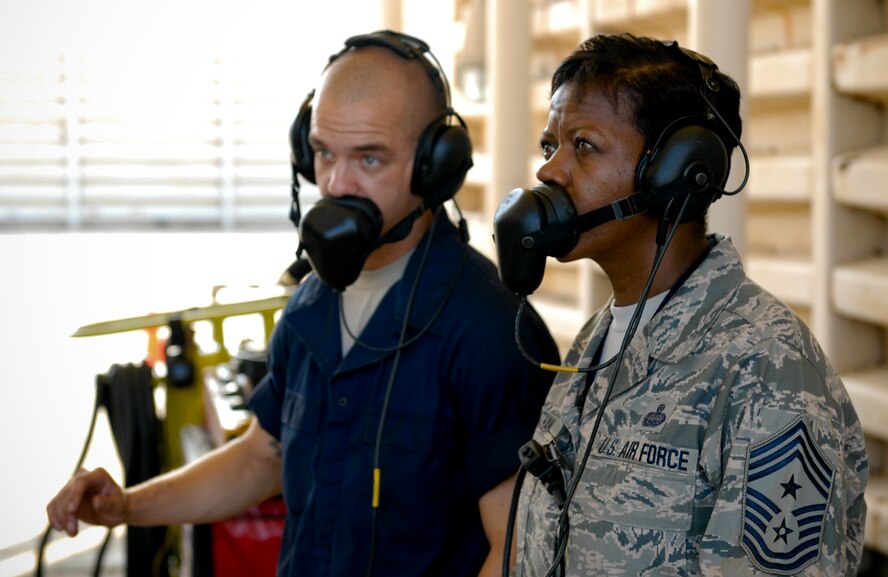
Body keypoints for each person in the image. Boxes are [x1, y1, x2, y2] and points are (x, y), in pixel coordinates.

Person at [46, 30, 559, 577]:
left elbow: (514, 551)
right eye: (322, 153)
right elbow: (257, 459)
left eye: (369, 158)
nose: (336, 184)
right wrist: (128, 505)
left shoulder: (491, 330)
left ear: (434, 167)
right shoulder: (308, 306)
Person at [498, 33, 868, 576]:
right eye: (549, 146)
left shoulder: (768, 369)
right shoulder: (597, 342)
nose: (549, 172)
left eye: (584, 145)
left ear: (674, 173)